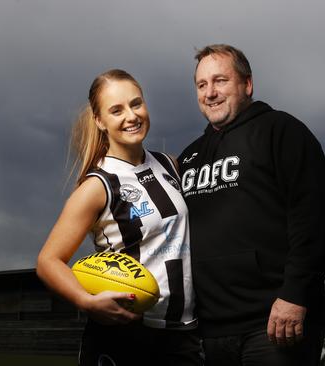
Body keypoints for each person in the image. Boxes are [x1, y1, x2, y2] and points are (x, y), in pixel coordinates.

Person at [178, 44, 325, 366]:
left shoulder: (281, 131)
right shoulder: (189, 156)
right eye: (202, 84)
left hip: (274, 322)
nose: (210, 93)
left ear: (247, 85)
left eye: (220, 80)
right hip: (210, 330)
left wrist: (295, 294)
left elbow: (316, 218)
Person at [36, 69, 201, 366]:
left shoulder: (169, 165)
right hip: (127, 333)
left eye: (136, 103)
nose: (131, 116)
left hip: (182, 334)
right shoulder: (98, 185)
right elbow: (48, 261)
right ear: (100, 121)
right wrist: (86, 301)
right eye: (117, 110)